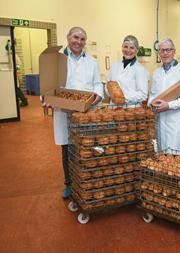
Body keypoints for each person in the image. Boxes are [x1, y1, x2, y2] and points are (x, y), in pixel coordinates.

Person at [43, 27, 103, 199]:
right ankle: (69, 184)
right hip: (63, 111)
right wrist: (47, 97)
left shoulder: (92, 61)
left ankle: (87, 180)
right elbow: (49, 84)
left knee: (86, 146)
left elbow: (98, 83)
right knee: (67, 149)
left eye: (83, 39)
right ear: (68, 37)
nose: (79, 41)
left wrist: (97, 96)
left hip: (86, 112)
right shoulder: (58, 60)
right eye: (76, 37)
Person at [148, 38, 180, 154]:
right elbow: (153, 93)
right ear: (159, 53)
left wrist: (169, 105)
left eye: (168, 50)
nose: (165, 53)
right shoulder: (156, 72)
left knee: (174, 158)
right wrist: (151, 103)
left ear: (174, 51)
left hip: (175, 120)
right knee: (161, 156)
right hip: (160, 119)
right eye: (162, 50)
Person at [107, 35, 148, 107]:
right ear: (122, 47)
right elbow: (108, 85)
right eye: (125, 47)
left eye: (132, 48)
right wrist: (112, 95)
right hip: (113, 108)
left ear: (136, 50)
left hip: (130, 109)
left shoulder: (141, 69)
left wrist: (122, 97)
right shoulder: (115, 66)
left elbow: (143, 94)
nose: (128, 50)